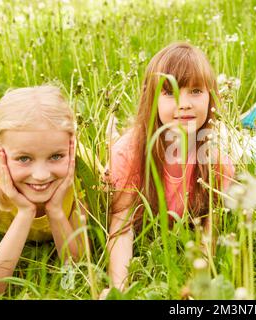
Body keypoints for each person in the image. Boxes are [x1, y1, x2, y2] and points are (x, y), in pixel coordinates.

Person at [103, 42, 235, 295]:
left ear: (212, 97)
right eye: (169, 92)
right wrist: (119, 289)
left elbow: (210, 229)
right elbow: (122, 228)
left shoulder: (215, 159)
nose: (184, 103)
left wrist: (199, 282)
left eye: (195, 91)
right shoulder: (131, 153)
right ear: (149, 98)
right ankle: (110, 130)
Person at [0, 85, 87, 295]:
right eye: (24, 158)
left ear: (71, 148)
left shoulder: (79, 176)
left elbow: (77, 268)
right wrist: (25, 212)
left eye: (56, 156)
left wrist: (55, 210)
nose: (41, 175)